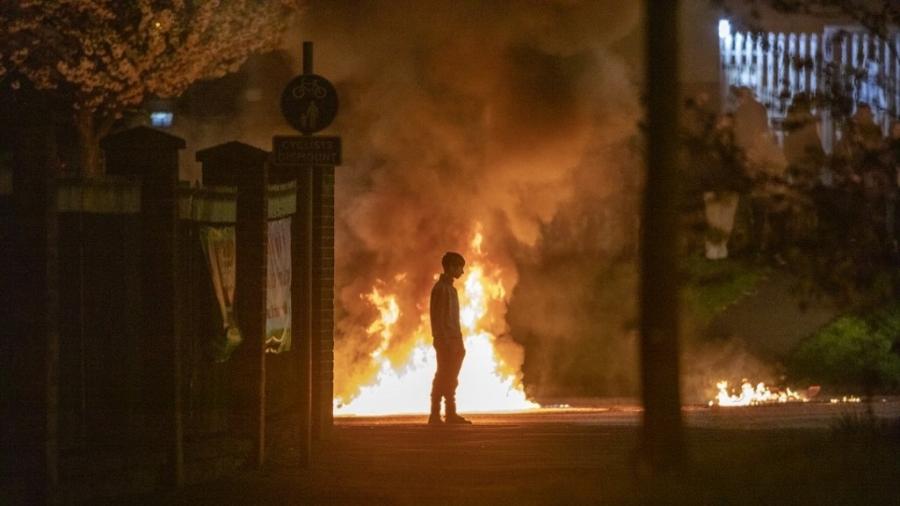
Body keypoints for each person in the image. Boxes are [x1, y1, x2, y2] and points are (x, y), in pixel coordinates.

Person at [429, 251, 471, 425]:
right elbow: (438, 318)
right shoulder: (441, 289)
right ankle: (436, 414)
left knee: (450, 377)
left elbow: (453, 320)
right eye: (460, 267)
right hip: (446, 341)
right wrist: (445, 341)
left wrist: (459, 343)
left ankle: (449, 413)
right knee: (443, 376)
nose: (462, 271)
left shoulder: (451, 289)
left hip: (454, 341)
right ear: (452, 266)